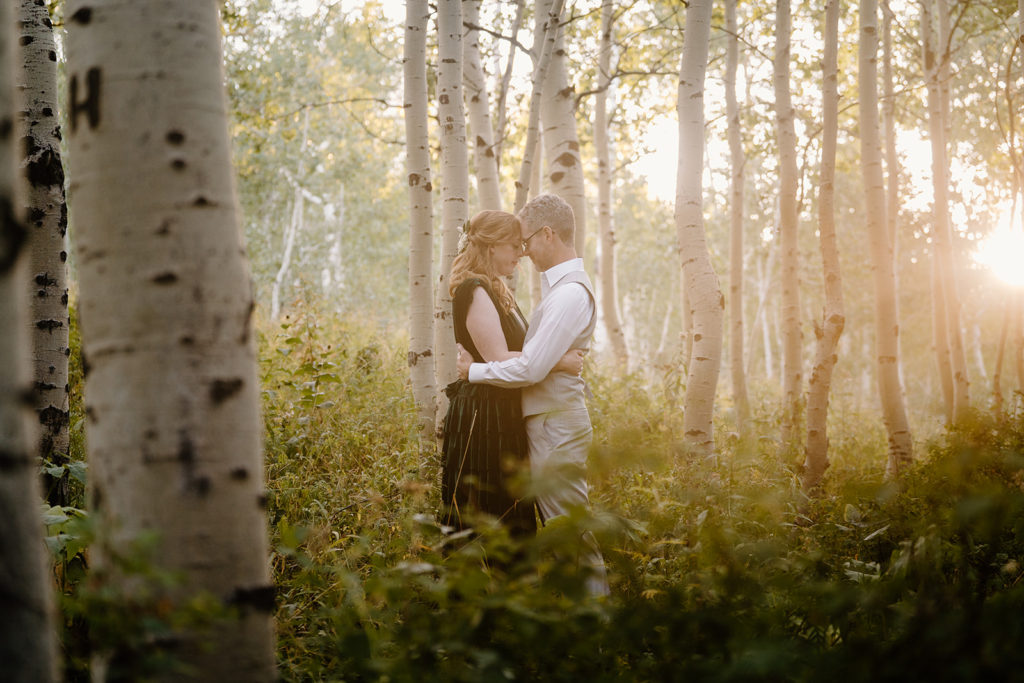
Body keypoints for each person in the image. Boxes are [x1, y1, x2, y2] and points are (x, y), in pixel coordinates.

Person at [457, 194, 609, 597]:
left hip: (556, 424)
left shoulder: (569, 295)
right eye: (515, 244)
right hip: (547, 422)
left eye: (525, 240)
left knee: (568, 531)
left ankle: (593, 629)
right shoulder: (557, 292)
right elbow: (536, 360)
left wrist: (471, 371)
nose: (522, 250)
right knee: (561, 530)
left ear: (548, 234)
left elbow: (530, 367)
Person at [440, 209, 583, 538]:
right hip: (484, 415)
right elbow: (499, 358)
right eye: (513, 246)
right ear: (491, 247)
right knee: (489, 512)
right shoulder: (473, 289)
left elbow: (523, 354)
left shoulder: (496, 290)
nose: (521, 254)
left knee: (510, 506)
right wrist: (560, 360)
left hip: (503, 409)